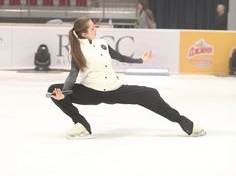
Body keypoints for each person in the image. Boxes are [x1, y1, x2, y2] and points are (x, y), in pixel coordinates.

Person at [47, 17, 206, 139]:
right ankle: (81, 124)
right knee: (53, 90)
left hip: (114, 89)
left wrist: (140, 60)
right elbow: (72, 75)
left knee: (150, 94)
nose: (96, 30)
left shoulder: (101, 43)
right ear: (84, 33)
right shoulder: (76, 51)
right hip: (91, 91)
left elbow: (119, 57)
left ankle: (185, 123)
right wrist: (65, 93)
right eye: (93, 28)